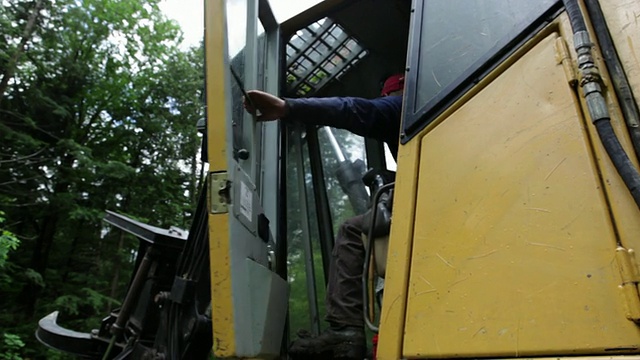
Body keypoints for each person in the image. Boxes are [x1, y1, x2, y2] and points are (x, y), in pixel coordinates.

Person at [244, 74, 404, 359]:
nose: (385, 105)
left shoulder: (403, 105)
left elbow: (354, 109)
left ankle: (345, 329)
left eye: (386, 100)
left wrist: (288, 107)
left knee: (353, 231)